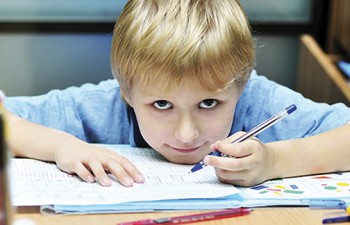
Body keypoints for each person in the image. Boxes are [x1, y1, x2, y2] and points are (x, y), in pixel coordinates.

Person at [3, 0, 350, 188]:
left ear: (240, 86)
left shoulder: (257, 102)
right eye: (161, 104)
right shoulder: (102, 106)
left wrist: (276, 161)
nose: (187, 134)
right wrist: (59, 145)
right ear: (127, 91)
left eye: (209, 103)